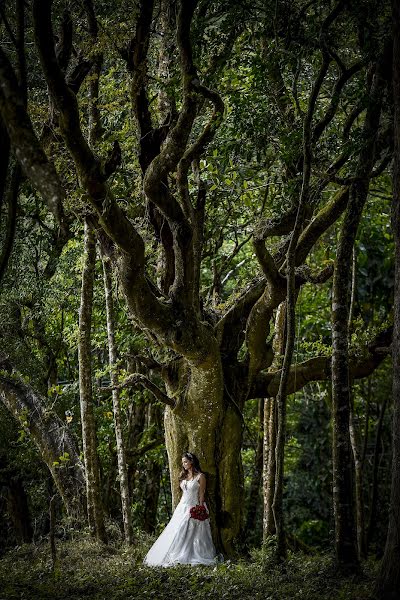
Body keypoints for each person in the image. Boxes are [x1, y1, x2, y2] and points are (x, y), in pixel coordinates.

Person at [143, 452, 217, 567]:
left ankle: (190, 553)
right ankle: (172, 553)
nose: (184, 464)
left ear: (192, 461)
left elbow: (202, 494)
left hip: (194, 506)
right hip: (182, 506)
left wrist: (201, 508)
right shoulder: (183, 476)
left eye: (186, 462)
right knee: (176, 530)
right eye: (182, 462)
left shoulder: (201, 477)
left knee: (190, 530)